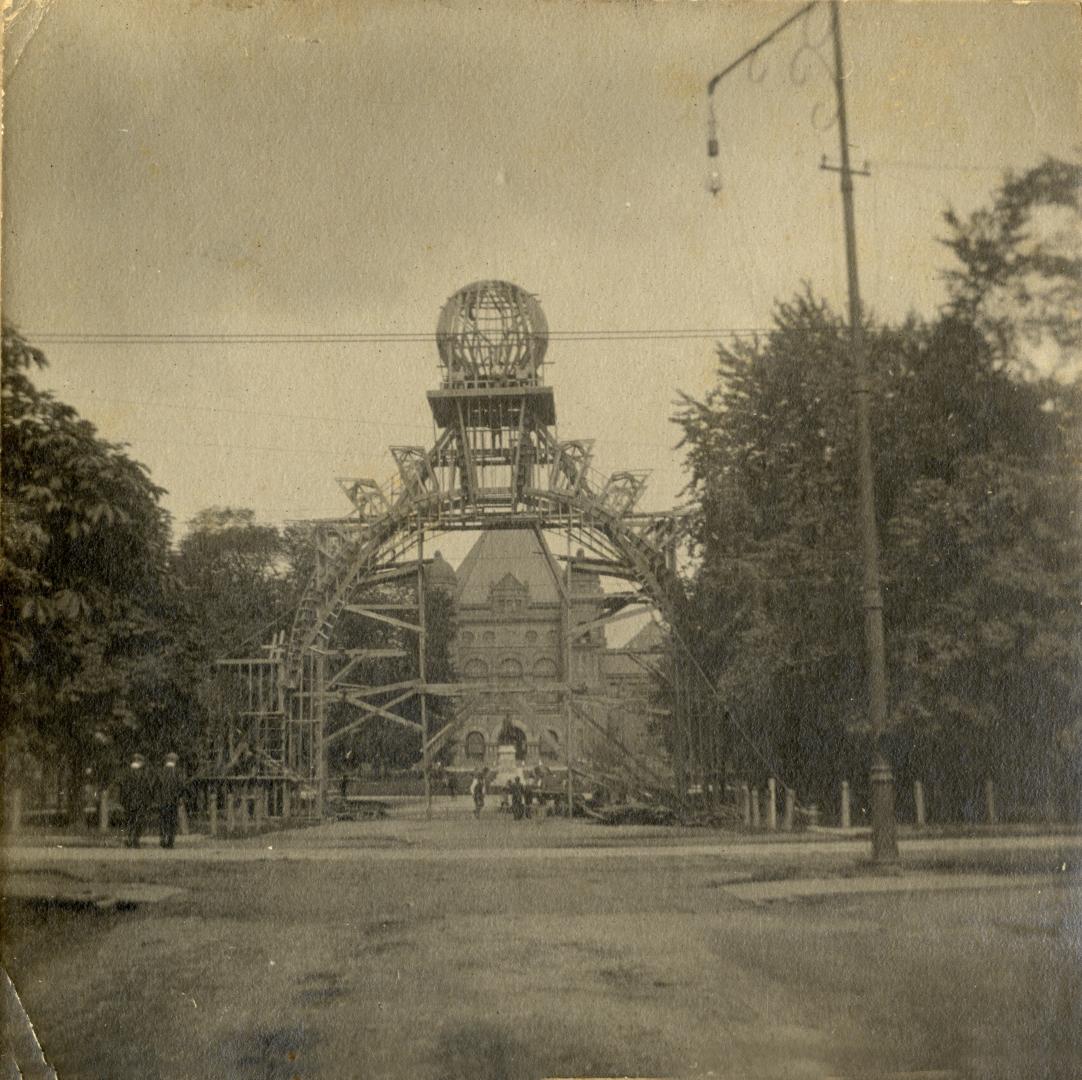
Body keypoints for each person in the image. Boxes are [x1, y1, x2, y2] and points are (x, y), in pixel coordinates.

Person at [119, 753, 154, 848]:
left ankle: (130, 839)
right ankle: (136, 840)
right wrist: (148, 801)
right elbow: (147, 789)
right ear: (139, 762)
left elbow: (122, 788)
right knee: (139, 822)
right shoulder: (143, 774)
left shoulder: (126, 773)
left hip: (129, 802)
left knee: (130, 821)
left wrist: (123, 801)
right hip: (140, 802)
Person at [157, 752, 185, 849]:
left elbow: (156, 786)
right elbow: (181, 786)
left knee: (163, 820)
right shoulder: (177, 772)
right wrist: (180, 797)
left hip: (162, 800)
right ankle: (170, 841)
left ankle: (162, 838)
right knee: (172, 821)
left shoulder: (161, 772)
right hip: (173, 800)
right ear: (175, 761)